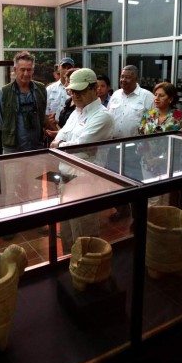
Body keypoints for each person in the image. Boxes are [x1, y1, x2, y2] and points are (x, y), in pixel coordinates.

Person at [50, 68, 116, 255]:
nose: (75, 95)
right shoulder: (76, 112)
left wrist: (63, 143)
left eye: (80, 90)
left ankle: (89, 274)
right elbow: (63, 140)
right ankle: (71, 267)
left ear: (94, 89)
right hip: (65, 177)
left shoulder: (103, 116)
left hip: (86, 183)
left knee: (85, 234)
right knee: (67, 229)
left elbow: (75, 147)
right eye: (73, 91)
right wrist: (65, 143)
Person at [107, 65, 154, 221]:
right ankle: (122, 209)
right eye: (122, 76)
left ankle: (138, 219)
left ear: (136, 79)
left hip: (135, 149)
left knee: (135, 183)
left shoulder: (147, 97)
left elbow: (152, 124)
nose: (123, 80)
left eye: (127, 77)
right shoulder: (115, 95)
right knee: (114, 181)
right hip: (113, 147)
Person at [137, 82, 182, 206]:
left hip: (169, 164)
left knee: (167, 198)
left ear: (170, 98)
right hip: (148, 163)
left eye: (161, 95)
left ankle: (163, 224)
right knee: (152, 198)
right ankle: (149, 225)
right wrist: (148, 157)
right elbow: (140, 137)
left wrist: (161, 159)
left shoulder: (179, 117)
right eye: (155, 95)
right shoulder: (148, 115)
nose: (156, 98)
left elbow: (180, 143)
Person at [0, 51, 48, 153]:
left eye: (29, 70)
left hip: (37, 147)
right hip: (12, 150)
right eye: (22, 70)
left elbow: (42, 115)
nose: (26, 73)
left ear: (33, 70)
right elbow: (1, 122)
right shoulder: (5, 92)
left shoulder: (41, 89)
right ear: (15, 70)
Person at [46, 57, 75, 128]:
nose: (66, 70)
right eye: (64, 67)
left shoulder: (75, 90)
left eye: (69, 67)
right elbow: (46, 112)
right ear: (59, 68)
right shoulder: (49, 89)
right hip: (52, 128)